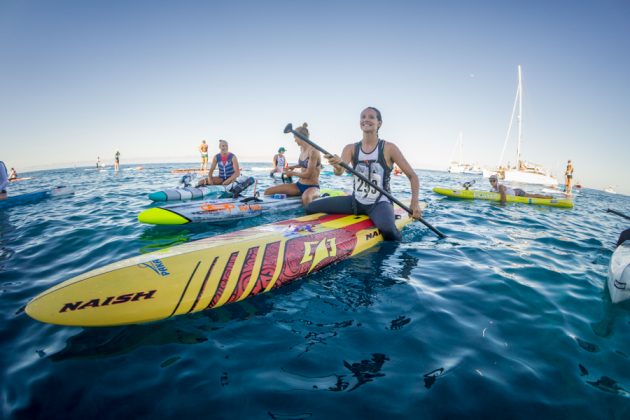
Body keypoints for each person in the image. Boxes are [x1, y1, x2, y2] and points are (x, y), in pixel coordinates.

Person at [305, 107, 421, 241]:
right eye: (363, 117)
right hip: (356, 202)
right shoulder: (350, 148)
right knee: (311, 207)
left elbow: (413, 176)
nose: (366, 119)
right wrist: (336, 165)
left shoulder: (389, 148)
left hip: (379, 203)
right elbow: (339, 173)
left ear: (379, 123)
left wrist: (414, 202)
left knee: (388, 231)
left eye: (371, 117)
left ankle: (391, 226)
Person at [264, 123, 321, 206]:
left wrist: (292, 173)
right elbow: (303, 164)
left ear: (300, 137)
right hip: (299, 185)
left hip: (312, 187)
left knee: (306, 198)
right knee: (268, 191)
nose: (294, 140)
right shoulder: (302, 149)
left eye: (295, 138)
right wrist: (292, 167)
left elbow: (308, 174)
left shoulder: (313, 151)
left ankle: (311, 217)